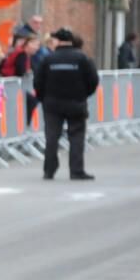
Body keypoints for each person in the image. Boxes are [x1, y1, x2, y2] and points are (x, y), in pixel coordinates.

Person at [33, 27, 99, 181]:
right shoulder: (82, 58)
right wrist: (84, 95)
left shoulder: (48, 59)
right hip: (76, 103)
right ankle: (76, 171)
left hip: (52, 104)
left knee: (51, 137)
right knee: (76, 136)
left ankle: (49, 170)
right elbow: (93, 80)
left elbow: (38, 81)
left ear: (58, 41)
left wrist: (44, 98)